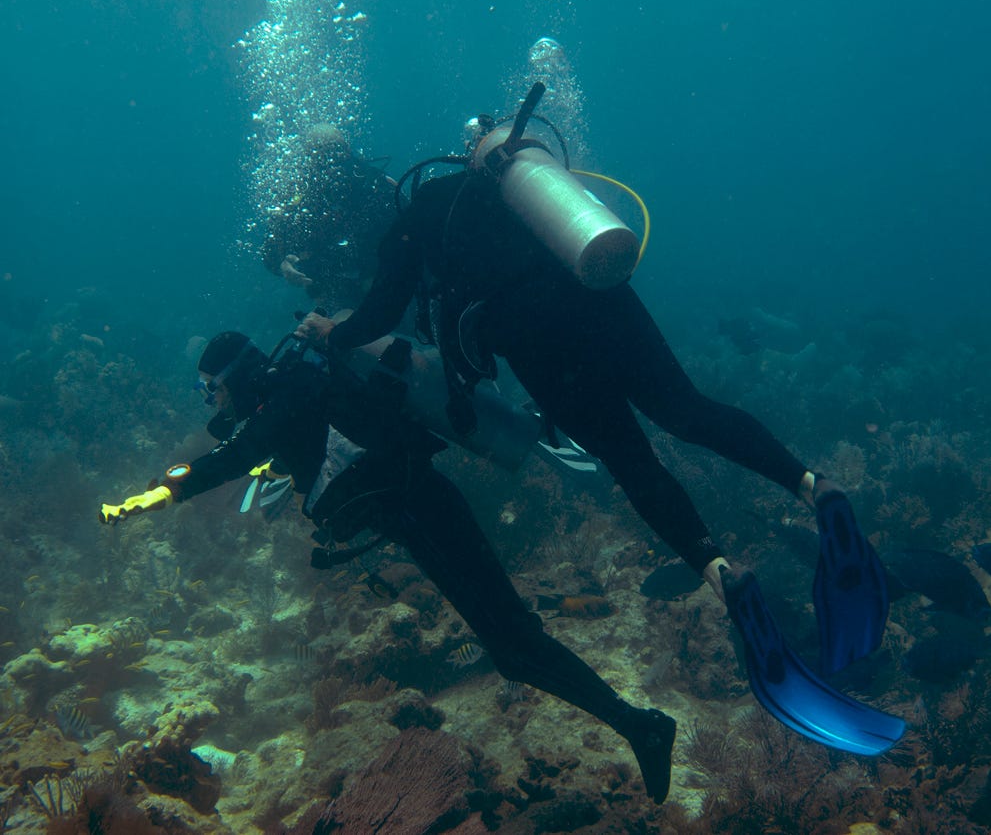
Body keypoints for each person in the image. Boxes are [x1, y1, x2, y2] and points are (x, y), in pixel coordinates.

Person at [294, 90, 904, 755]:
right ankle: (813, 486)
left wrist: (335, 332)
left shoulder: (425, 206)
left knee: (629, 458)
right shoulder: (540, 195)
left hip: (534, 337)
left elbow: (383, 315)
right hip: (601, 298)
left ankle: (720, 571)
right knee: (688, 411)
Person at [98, 330, 677, 803]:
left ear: (236, 378)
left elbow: (239, 455)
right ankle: (637, 725)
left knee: (514, 647)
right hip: (417, 507)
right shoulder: (295, 392)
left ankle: (640, 726)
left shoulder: (291, 390)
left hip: (419, 507)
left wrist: (163, 493)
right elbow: (270, 451)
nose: (212, 403)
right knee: (512, 645)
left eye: (211, 390)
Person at [262, 124, 399, 313]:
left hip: (389, 289)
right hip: (331, 296)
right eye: (319, 154)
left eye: (334, 151)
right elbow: (271, 248)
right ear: (309, 158)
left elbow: (412, 231)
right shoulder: (300, 196)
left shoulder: (376, 185)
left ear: (347, 150)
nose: (329, 161)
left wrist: (374, 272)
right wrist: (282, 264)